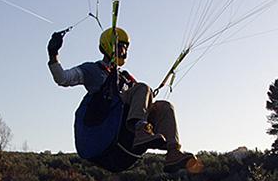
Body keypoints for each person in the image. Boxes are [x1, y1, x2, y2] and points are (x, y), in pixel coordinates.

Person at [48, 27, 201, 173]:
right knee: (143, 88)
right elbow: (63, 78)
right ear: (110, 45)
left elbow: (143, 100)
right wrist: (53, 54)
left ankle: (173, 152)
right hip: (106, 120)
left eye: (126, 48)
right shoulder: (93, 70)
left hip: (123, 131)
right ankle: (140, 130)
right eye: (122, 47)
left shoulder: (126, 77)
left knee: (164, 106)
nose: (125, 51)